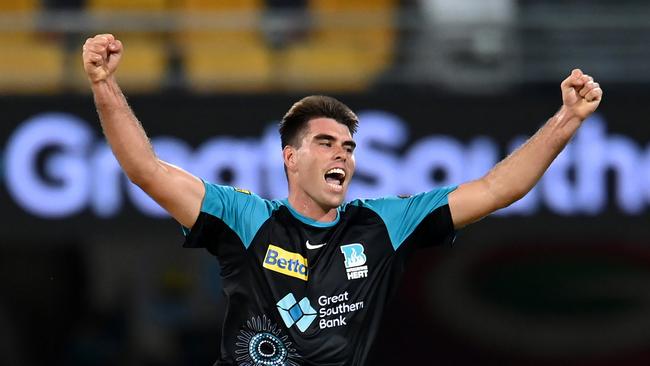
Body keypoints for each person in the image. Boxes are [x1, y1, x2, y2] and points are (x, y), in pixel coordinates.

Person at [82, 34, 602, 366]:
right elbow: (145, 171)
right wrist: (105, 84)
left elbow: (497, 188)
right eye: (326, 143)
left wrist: (567, 120)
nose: (343, 156)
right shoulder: (244, 217)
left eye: (349, 147)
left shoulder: (384, 224)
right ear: (290, 158)